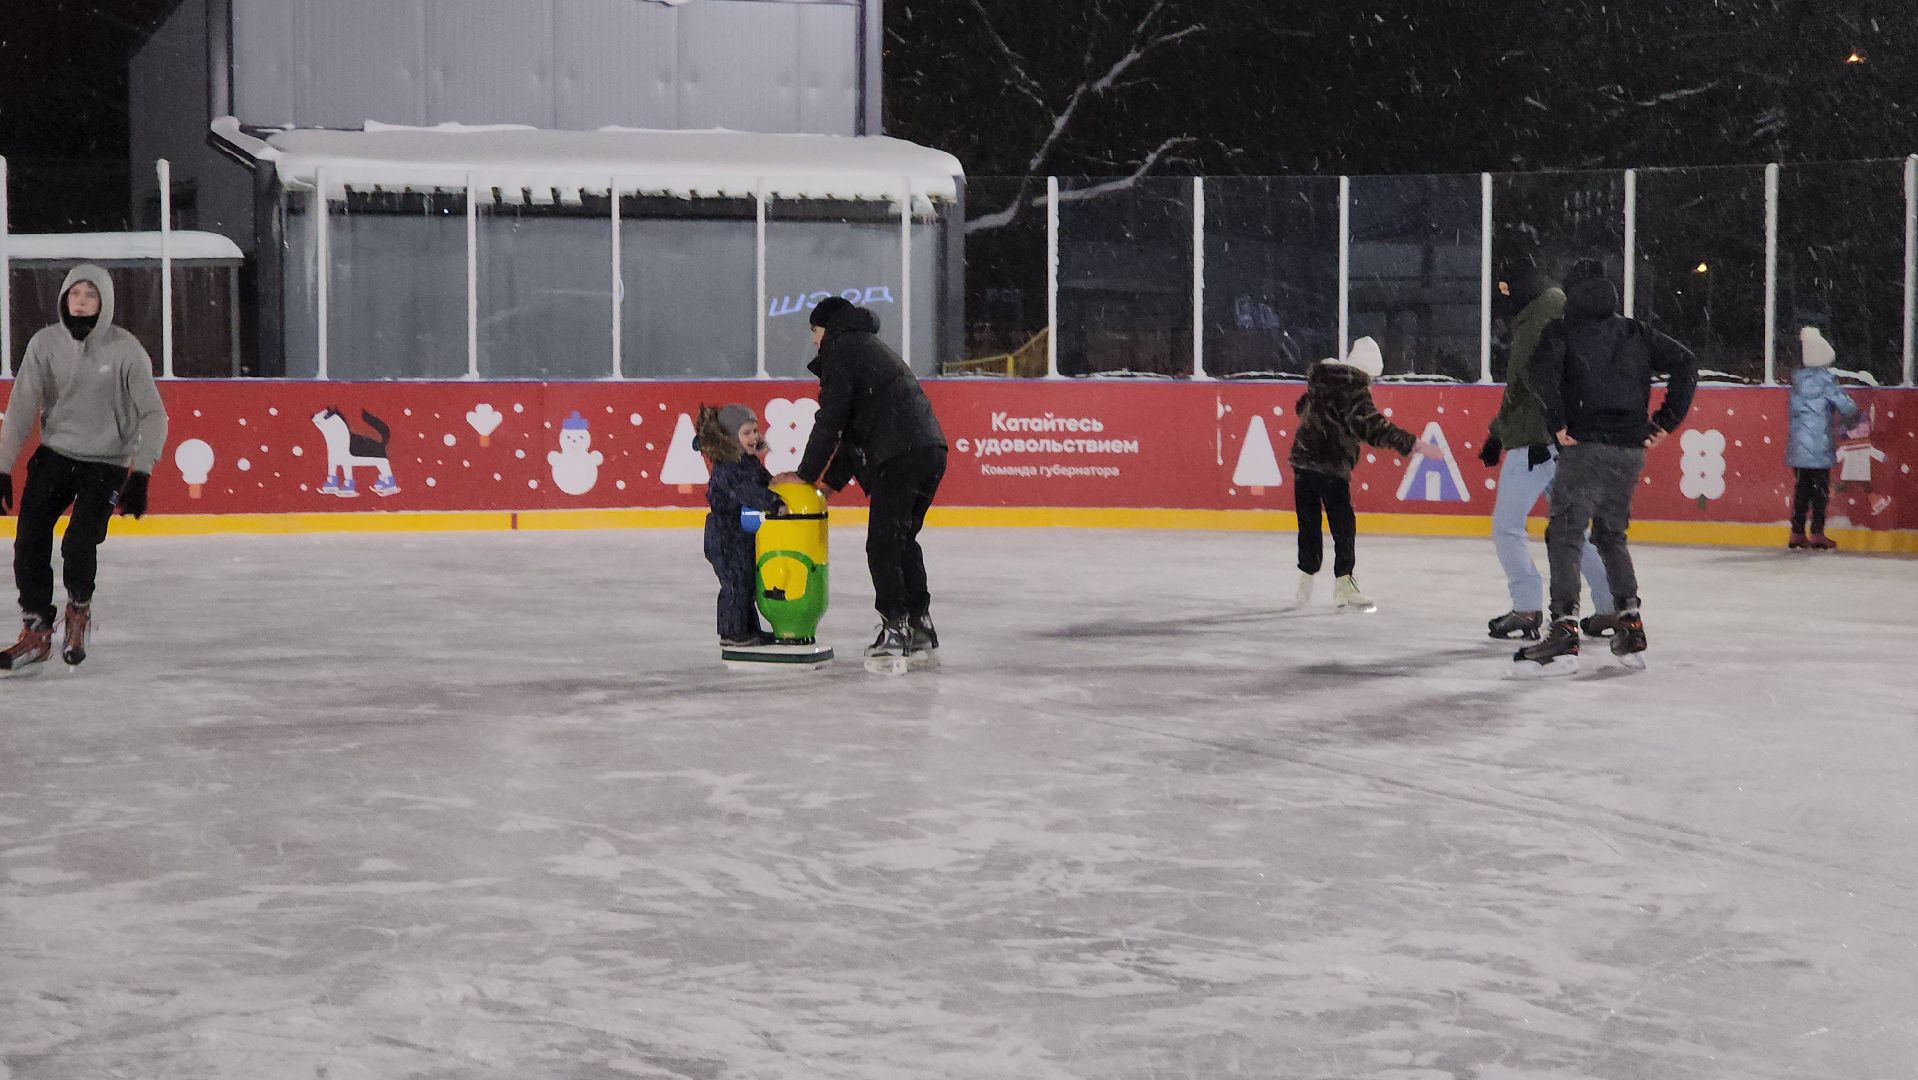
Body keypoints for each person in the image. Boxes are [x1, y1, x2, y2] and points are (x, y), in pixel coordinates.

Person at [1516, 258, 1697, 670]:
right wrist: (1665, 422)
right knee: (1611, 535)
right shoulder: (1633, 331)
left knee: (1565, 532)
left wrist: (1558, 423)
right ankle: (1630, 621)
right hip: (1629, 451)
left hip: (1585, 446)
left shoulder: (1561, 332)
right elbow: (1686, 362)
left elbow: (1537, 374)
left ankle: (1563, 626)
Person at [0, 264, 168, 670]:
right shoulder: (44, 344)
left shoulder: (126, 350)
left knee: (78, 542)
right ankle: (36, 629)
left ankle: (79, 610)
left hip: (105, 462)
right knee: (29, 539)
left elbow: (154, 415)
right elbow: (21, 409)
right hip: (56, 454)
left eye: (90, 294)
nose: (81, 301)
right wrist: (3, 467)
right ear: (64, 298)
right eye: (75, 293)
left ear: (104, 301)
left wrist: (141, 473)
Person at [773, 297, 947, 668]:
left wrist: (805, 475)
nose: (814, 342)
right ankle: (919, 623)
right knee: (900, 540)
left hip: (900, 454)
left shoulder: (843, 349)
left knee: (883, 544)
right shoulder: (866, 348)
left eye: (814, 332)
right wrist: (829, 484)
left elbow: (832, 421)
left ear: (828, 328)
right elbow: (856, 432)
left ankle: (895, 628)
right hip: (929, 449)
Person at [1478, 266, 1615, 641]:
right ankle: (1611, 607)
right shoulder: (1566, 315)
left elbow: (1520, 386)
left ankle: (1526, 607)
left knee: (1507, 527)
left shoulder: (1534, 322)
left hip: (1534, 442)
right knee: (1573, 531)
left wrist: (1496, 433)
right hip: (1567, 442)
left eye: (1505, 291)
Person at [1288, 336, 1443, 612]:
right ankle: (1344, 587)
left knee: (1308, 523)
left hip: (1303, 460)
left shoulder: (1322, 380)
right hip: (1331, 465)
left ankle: (1305, 581)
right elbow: (1373, 427)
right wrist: (1415, 444)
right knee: (1343, 527)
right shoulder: (1353, 388)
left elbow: (1301, 408)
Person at [696, 404, 785, 648]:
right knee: (736, 583)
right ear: (730, 437)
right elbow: (747, 491)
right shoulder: (728, 466)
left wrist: (781, 487)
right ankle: (731, 632)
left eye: (755, 430)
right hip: (724, 534)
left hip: (741, 534)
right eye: (746, 433)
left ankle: (747, 629)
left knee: (747, 582)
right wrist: (774, 503)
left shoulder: (746, 461)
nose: (754, 437)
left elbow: (764, 482)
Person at [1785, 326, 1860, 551]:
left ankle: (1796, 532)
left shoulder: (1797, 383)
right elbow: (1846, 407)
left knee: (1802, 489)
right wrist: (1853, 417)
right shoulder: (1826, 382)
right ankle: (1817, 532)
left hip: (1798, 446)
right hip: (1819, 445)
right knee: (1819, 491)